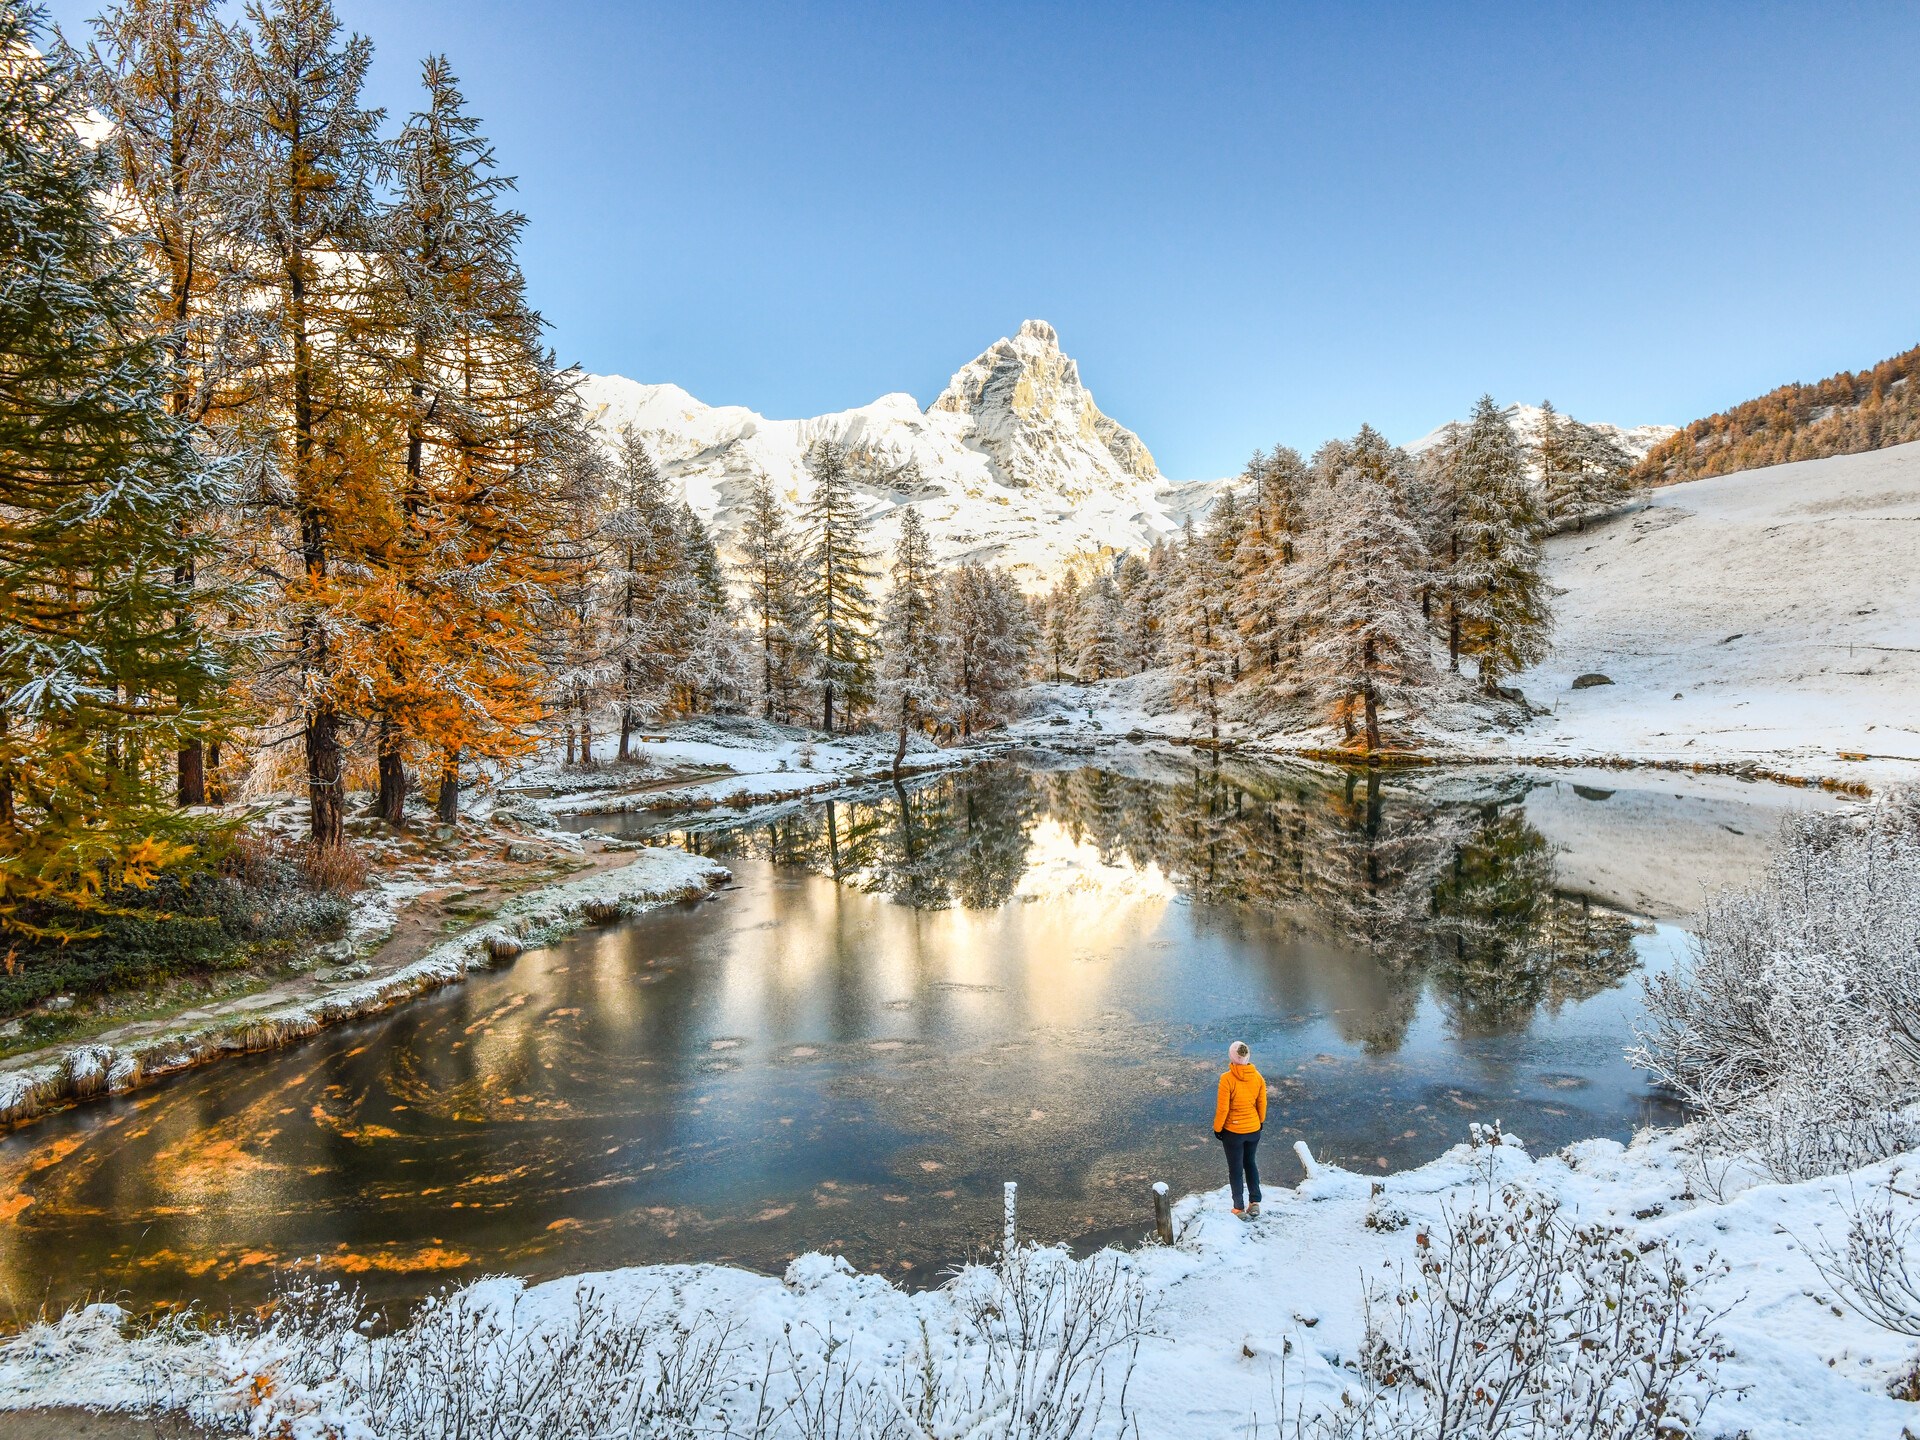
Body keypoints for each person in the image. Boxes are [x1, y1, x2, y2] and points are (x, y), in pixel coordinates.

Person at [1212, 1040, 1266, 1219]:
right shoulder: (1257, 1076)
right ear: (1247, 1056)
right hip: (1253, 1130)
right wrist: (1260, 1121)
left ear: (1232, 1057)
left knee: (1235, 1169)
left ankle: (1238, 1208)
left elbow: (1223, 1109)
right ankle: (1255, 1202)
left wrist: (1218, 1128)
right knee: (1250, 1163)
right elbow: (1262, 1103)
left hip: (1233, 1133)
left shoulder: (1227, 1079)